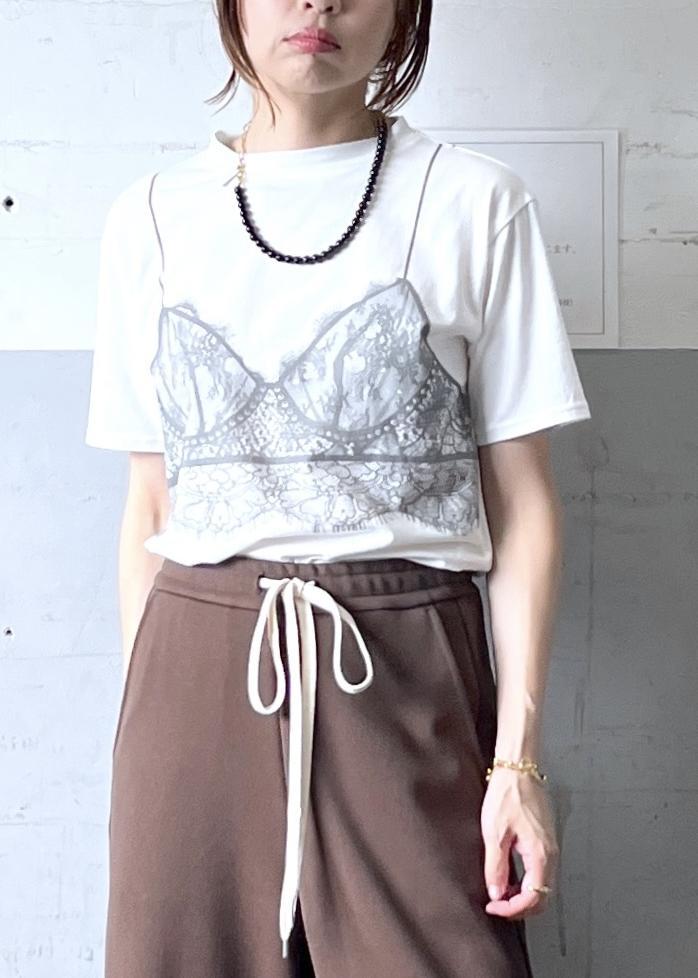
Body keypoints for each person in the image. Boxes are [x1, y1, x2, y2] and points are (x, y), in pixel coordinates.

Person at [85, 1, 591, 975]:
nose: (316, 3)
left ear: (404, 12)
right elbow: (149, 505)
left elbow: (523, 504)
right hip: (197, 667)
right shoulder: (150, 215)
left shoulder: (474, 202)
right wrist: (144, 735)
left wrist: (516, 762)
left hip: (405, 662)